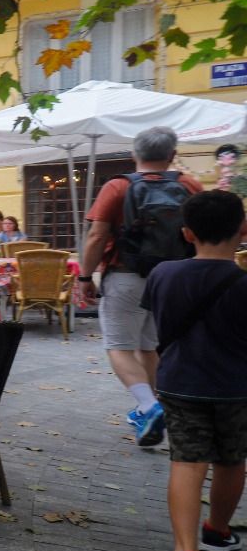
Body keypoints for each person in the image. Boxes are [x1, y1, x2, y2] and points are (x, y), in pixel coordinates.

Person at [139, 190, 247, 551]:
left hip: (181, 383)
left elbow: (154, 332)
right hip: (236, 387)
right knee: (232, 460)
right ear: (242, 229)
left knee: (186, 463)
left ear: (187, 232)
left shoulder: (164, 274)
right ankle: (217, 533)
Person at [77, 126, 204, 449]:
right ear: (172, 155)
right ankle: (150, 409)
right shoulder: (189, 186)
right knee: (149, 346)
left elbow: (96, 236)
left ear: (134, 154)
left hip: (126, 275)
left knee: (119, 346)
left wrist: (84, 276)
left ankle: (150, 406)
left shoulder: (117, 187)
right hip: (172, 279)